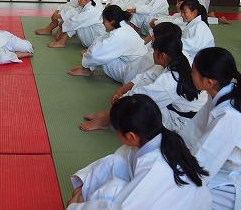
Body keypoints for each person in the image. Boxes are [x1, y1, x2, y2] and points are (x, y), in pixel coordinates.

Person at [67, 94, 211, 210]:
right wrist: (82, 189)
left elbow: (120, 207)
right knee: (115, 162)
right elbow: (114, 164)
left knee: (113, 190)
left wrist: (75, 208)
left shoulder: (154, 166)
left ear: (131, 136)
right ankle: (81, 194)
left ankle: (79, 201)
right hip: (166, 200)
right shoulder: (157, 137)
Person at [80, 34, 207, 132]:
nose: (152, 54)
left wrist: (121, 101)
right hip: (177, 108)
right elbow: (146, 77)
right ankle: (108, 114)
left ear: (163, 55)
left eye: (154, 51)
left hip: (182, 121)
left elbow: (143, 97)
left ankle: (106, 120)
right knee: (142, 87)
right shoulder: (178, 60)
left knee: (140, 107)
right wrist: (122, 92)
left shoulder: (170, 81)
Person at [180, 47, 241, 210]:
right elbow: (192, 134)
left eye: (193, 71)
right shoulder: (220, 94)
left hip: (232, 177)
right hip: (220, 164)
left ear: (209, 81)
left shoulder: (230, 116)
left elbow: (203, 163)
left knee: (181, 195)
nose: (190, 74)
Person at [67, 5, 147, 83]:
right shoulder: (124, 27)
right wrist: (89, 50)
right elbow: (102, 41)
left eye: (104, 21)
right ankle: (87, 69)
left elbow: (95, 55)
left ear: (112, 21)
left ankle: (86, 70)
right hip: (137, 65)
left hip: (132, 73)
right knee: (102, 45)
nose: (103, 23)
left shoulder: (119, 35)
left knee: (101, 54)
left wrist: (86, 53)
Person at [35, 0, 102, 36]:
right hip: (85, 25)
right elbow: (68, 5)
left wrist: (60, 21)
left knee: (71, 14)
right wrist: (57, 12)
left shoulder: (90, 2)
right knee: (68, 10)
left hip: (91, 30)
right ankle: (49, 30)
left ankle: (56, 36)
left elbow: (75, 19)